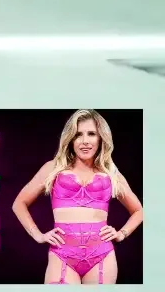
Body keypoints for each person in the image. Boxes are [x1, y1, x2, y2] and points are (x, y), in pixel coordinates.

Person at [10, 108, 145, 284]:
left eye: (91, 134)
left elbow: (139, 210)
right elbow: (19, 203)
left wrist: (121, 233)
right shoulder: (53, 168)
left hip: (102, 257)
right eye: (78, 135)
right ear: (70, 139)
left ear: (101, 138)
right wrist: (38, 235)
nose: (85, 141)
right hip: (62, 255)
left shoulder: (111, 173)